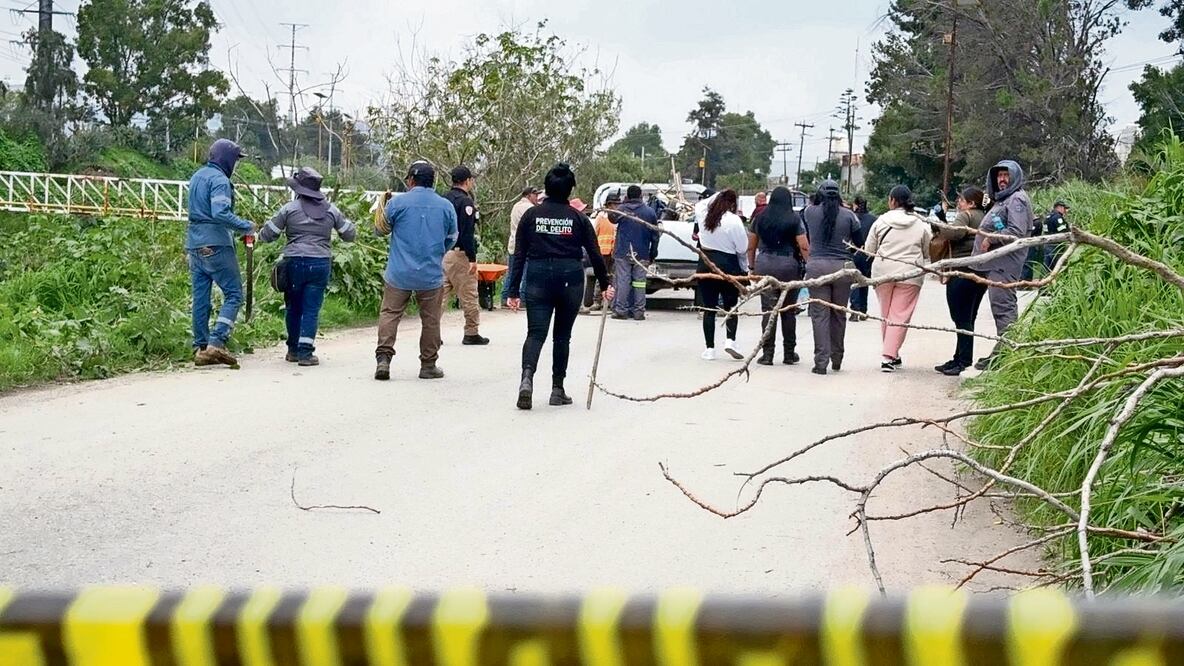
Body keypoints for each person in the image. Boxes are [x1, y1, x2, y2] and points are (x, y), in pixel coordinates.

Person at [506, 163, 613, 410]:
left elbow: (519, 254)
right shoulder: (578, 218)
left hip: (538, 276)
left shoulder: (531, 216)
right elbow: (595, 254)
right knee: (562, 336)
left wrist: (513, 290)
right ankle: (557, 389)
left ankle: (526, 379)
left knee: (535, 333)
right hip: (569, 278)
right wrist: (605, 283)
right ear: (570, 189)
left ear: (546, 188)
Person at [257, 167, 356, 366]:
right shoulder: (331, 210)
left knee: (293, 307)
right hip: (320, 264)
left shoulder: (289, 209)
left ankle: (293, 350)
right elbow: (349, 234)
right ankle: (306, 353)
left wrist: (258, 233)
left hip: (294, 263)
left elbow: (268, 234)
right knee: (311, 309)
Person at [374, 161, 458, 381]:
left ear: (411, 180)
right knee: (431, 320)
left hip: (399, 273)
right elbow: (452, 238)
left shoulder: (397, 203)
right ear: (433, 181)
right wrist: (437, 252)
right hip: (430, 275)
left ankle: (383, 360)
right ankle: (428, 365)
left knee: (390, 314)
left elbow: (379, 230)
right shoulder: (446, 206)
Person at [187, 139, 256, 367]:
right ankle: (217, 341)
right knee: (234, 294)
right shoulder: (220, 180)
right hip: (216, 243)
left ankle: (200, 347)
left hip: (194, 244)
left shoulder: (197, 176)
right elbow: (219, 213)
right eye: (235, 160)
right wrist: (246, 226)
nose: (236, 165)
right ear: (227, 159)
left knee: (201, 298)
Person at [973, 160, 1035, 370]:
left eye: (1006, 175)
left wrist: (990, 238)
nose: (1002, 179)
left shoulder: (1017, 199)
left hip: (1005, 265)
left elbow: (1016, 232)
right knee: (1000, 306)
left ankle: (1006, 356)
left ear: (1015, 177)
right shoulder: (1004, 199)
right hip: (997, 264)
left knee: (1004, 307)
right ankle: (1003, 351)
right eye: (999, 176)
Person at [863, 185, 932, 373]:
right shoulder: (921, 223)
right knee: (900, 315)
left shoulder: (881, 221)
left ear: (892, 200)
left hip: (883, 272)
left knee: (886, 315)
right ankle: (889, 356)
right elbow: (927, 251)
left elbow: (869, 250)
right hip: (910, 272)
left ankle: (891, 353)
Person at [802, 180, 863, 375]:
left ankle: (821, 362)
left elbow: (806, 232)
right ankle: (837, 359)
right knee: (839, 314)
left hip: (816, 267)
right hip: (842, 269)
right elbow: (859, 243)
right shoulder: (849, 215)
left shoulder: (809, 212)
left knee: (820, 315)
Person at [749, 187, 809, 366]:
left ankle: (767, 354)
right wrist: (808, 264)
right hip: (788, 266)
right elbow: (803, 245)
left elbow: (751, 245)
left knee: (768, 310)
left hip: (765, 264)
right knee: (788, 311)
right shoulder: (794, 219)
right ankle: (789, 353)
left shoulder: (759, 218)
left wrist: (752, 267)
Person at [934, 186, 988, 376]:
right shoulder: (985, 216)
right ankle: (959, 357)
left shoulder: (966, 215)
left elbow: (954, 233)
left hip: (962, 271)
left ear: (971, 203)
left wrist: (939, 221)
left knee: (960, 318)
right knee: (969, 317)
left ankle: (963, 361)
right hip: (981, 273)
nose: (958, 203)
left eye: (962, 200)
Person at [696, 189, 750, 361]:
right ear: (733, 204)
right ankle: (730, 340)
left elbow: (702, 203)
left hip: (706, 264)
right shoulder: (734, 221)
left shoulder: (703, 214)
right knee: (731, 306)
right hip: (729, 266)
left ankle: (709, 349)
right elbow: (742, 248)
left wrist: (721, 193)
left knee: (709, 308)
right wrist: (745, 269)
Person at [442, 165, 489, 346]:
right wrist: (472, 259)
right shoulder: (466, 202)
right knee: (469, 294)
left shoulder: (443, 199)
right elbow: (467, 233)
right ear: (467, 181)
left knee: (440, 294)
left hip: (441, 253)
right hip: (459, 254)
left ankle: (431, 332)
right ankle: (471, 332)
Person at [612, 185, 660, 321]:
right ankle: (639, 312)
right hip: (642, 253)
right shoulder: (650, 212)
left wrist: (622, 204)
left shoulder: (622, 209)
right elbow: (655, 236)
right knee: (639, 283)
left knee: (623, 281)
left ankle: (621, 311)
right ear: (641, 196)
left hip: (623, 252)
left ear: (627, 196)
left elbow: (612, 218)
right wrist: (653, 253)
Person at [504, 186, 540, 307]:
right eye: (535, 195)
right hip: (525, 245)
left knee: (512, 272)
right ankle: (523, 298)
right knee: (526, 273)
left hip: (513, 243)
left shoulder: (516, 206)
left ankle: (505, 296)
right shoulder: (530, 208)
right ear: (529, 195)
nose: (537, 197)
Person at [589, 192, 622, 312]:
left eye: (618, 204)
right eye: (615, 204)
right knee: (601, 277)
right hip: (603, 251)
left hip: (615, 251)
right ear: (609, 204)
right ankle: (597, 301)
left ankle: (609, 302)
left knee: (613, 278)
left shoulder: (620, 217)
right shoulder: (601, 217)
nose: (617, 206)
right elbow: (594, 234)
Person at [848, 195, 878, 321]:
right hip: (867, 254)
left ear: (855, 205)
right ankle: (863, 310)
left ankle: (855, 309)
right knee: (864, 281)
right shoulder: (873, 219)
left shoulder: (851, 217)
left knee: (854, 281)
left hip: (853, 253)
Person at [1043, 200, 1070, 272]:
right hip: (1056, 246)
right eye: (1064, 208)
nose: (1065, 211)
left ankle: (1045, 278)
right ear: (1059, 207)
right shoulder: (1058, 217)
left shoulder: (1047, 217)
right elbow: (1063, 230)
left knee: (1047, 267)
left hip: (1047, 244)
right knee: (1059, 265)